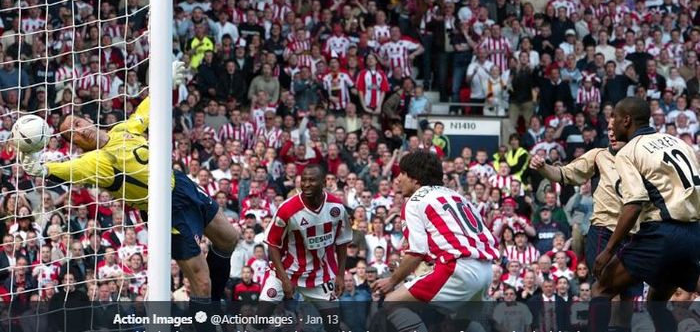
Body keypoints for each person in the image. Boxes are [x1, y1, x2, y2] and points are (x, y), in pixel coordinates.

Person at [20, 62, 239, 327]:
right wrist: (39, 167)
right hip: (165, 210)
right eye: (72, 135)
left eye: (77, 123)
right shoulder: (96, 162)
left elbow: (148, 110)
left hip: (181, 185)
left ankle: (215, 309)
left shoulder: (122, 129)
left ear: (87, 119)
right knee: (200, 281)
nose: (79, 130)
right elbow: (65, 170)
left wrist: (166, 81)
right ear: (76, 144)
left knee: (229, 239)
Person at [589, 97, 700, 332]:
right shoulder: (679, 142)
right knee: (656, 303)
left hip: (662, 234)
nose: (612, 124)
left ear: (626, 120)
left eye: (615, 118)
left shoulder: (628, 152)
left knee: (601, 289)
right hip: (693, 233)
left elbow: (634, 203)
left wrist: (608, 250)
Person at [530, 123, 642, 331]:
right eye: (607, 128)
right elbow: (563, 174)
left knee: (629, 292)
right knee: (605, 286)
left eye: (614, 126)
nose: (611, 131)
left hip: (634, 232)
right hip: (604, 230)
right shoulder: (597, 156)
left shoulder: (641, 156)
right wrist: (544, 167)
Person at [372, 151, 497, 332]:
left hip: (458, 270)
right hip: (486, 271)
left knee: (392, 303)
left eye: (402, 173)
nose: (398, 179)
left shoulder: (414, 202)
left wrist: (392, 280)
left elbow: (416, 252)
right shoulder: (458, 197)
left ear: (415, 179)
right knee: (460, 323)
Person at [257, 163, 351, 331]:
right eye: (304, 180)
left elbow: (342, 243)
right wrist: (284, 278)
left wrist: (340, 275)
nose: (306, 184)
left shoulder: (336, 208)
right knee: (261, 319)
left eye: (312, 180)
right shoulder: (287, 209)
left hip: (320, 274)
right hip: (286, 271)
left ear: (323, 182)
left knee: (333, 324)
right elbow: (272, 245)